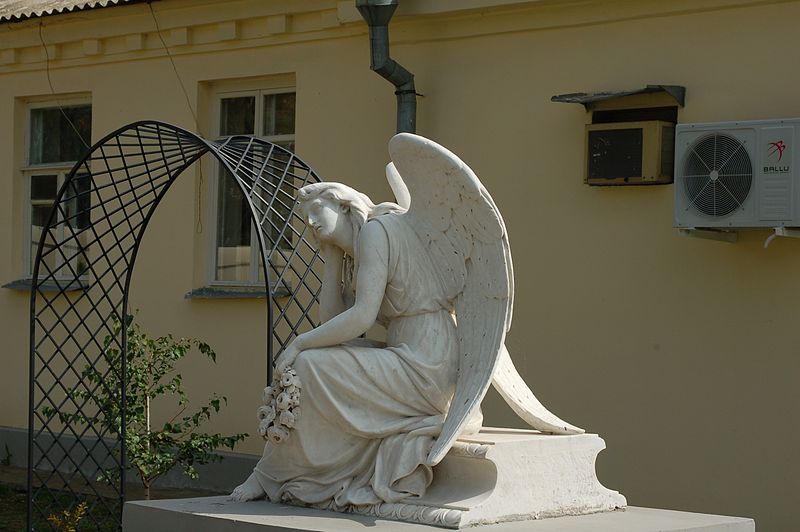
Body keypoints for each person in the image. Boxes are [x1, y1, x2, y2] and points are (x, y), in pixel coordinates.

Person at [230, 181, 464, 508]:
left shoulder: (376, 232)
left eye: (316, 211)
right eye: (304, 217)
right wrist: (332, 258)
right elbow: (336, 325)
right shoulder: (360, 247)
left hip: (426, 363)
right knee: (316, 359)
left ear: (343, 206)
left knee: (309, 363)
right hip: (410, 353)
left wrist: (299, 342)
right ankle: (279, 470)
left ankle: (271, 473)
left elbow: (361, 318)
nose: (309, 222)